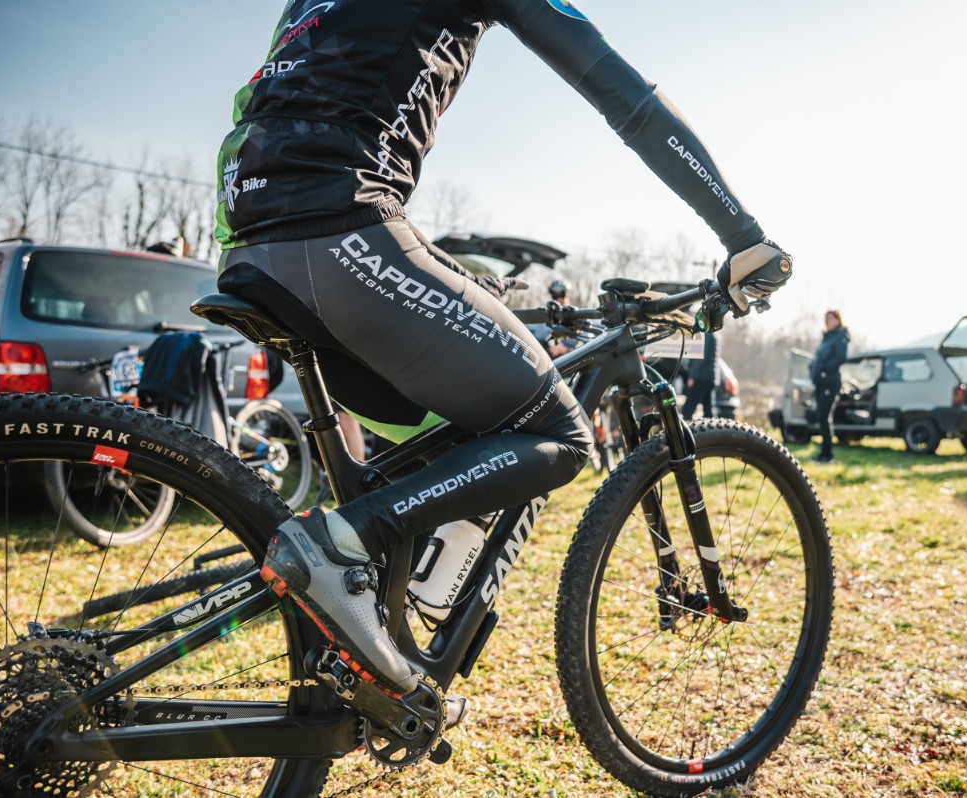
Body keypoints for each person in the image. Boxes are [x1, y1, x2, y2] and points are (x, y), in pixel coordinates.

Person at [214, 0, 792, 701]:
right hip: (338, 231)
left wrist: (463, 281)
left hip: (250, 242)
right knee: (560, 435)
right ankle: (339, 544)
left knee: (451, 442)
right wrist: (743, 236)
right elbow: (628, 99)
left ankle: (372, 657)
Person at [809, 310, 849, 464]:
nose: (827, 321)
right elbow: (819, 358)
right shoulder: (827, 337)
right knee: (821, 417)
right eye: (826, 319)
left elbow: (840, 358)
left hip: (830, 382)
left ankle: (828, 455)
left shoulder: (840, 336)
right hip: (820, 382)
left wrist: (824, 370)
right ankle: (824, 453)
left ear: (838, 320)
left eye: (831, 318)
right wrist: (813, 368)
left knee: (824, 417)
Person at [683, 330, 721, 421]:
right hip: (711, 377)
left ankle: (687, 429)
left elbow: (700, 356)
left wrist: (692, 377)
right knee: (708, 411)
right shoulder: (715, 334)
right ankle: (713, 428)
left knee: (687, 410)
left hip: (701, 378)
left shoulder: (705, 334)